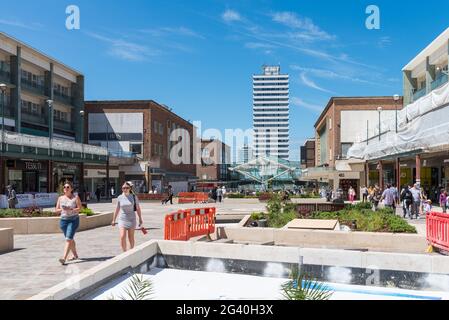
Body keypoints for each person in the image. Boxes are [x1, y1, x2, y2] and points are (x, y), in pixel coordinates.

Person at [55, 182, 82, 265]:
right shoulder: (60, 198)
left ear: (71, 189)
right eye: (64, 187)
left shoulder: (75, 197)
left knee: (68, 238)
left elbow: (80, 208)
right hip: (63, 221)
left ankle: (64, 258)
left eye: (67, 187)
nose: (65, 188)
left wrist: (71, 209)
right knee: (70, 238)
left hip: (73, 220)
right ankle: (75, 255)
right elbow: (56, 210)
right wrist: (63, 210)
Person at [112, 182, 144, 252]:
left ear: (130, 188)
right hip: (122, 219)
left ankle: (131, 252)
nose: (125, 189)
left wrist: (140, 219)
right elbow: (117, 209)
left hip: (132, 219)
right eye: (123, 188)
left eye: (127, 188)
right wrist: (113, 220)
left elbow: (138, 208)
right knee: (122, 236)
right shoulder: (120, 197)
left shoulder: (134, 197)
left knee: (131, 237)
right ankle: (124, 253)